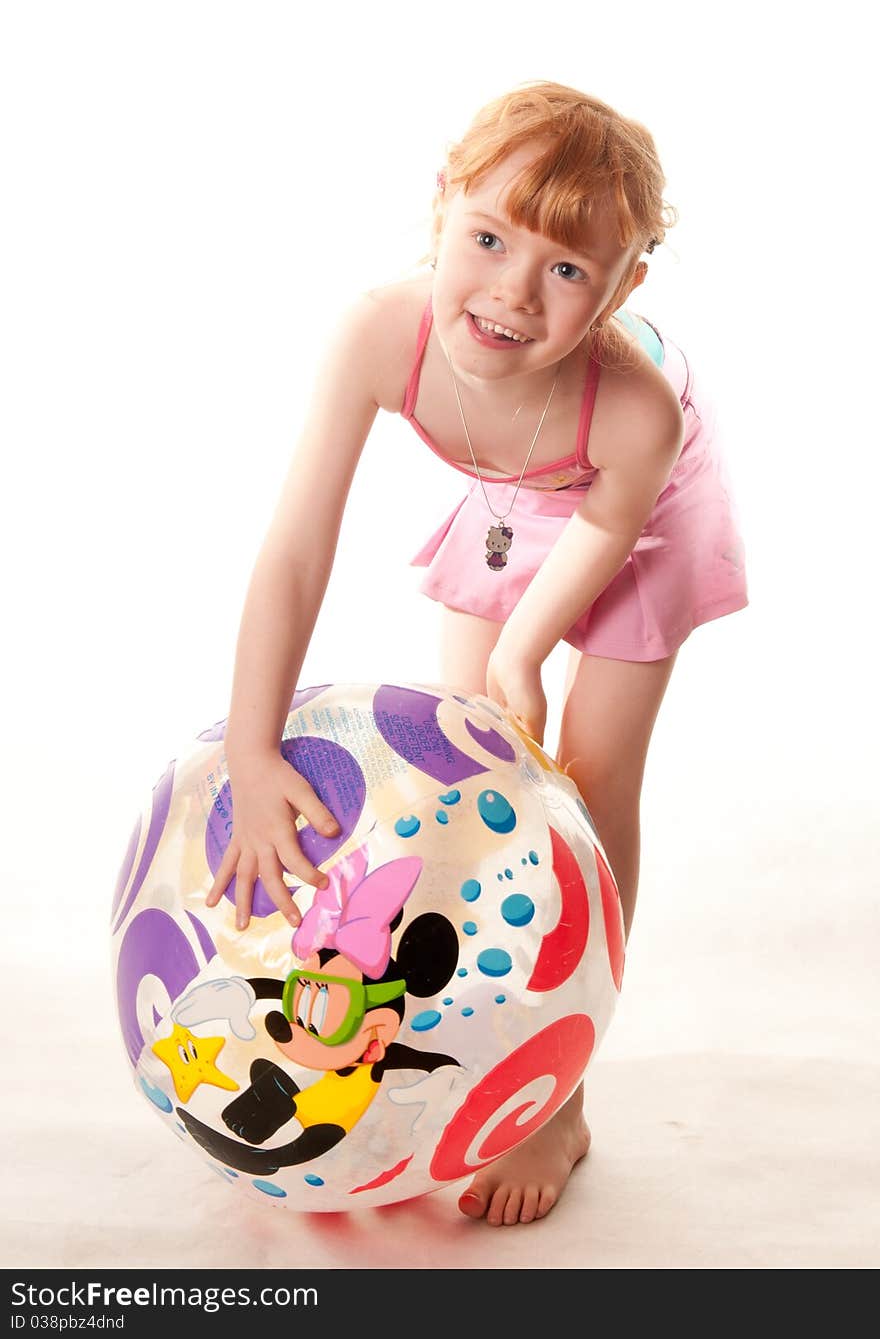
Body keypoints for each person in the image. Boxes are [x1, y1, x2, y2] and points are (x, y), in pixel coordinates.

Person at [205, 80, 748, 1226]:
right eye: (488, 238)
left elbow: (605, 527)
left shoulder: (637, 409)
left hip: (636, 514)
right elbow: (296, 549)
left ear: (622, 287)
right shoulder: (375, 331)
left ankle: (560, 1095)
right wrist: (252, 752)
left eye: (566, 269)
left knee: (585, 799)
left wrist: (524, 659)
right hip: (520, 503)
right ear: (441, 208)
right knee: (468, 784)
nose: (511, 290)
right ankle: (440, 1033)